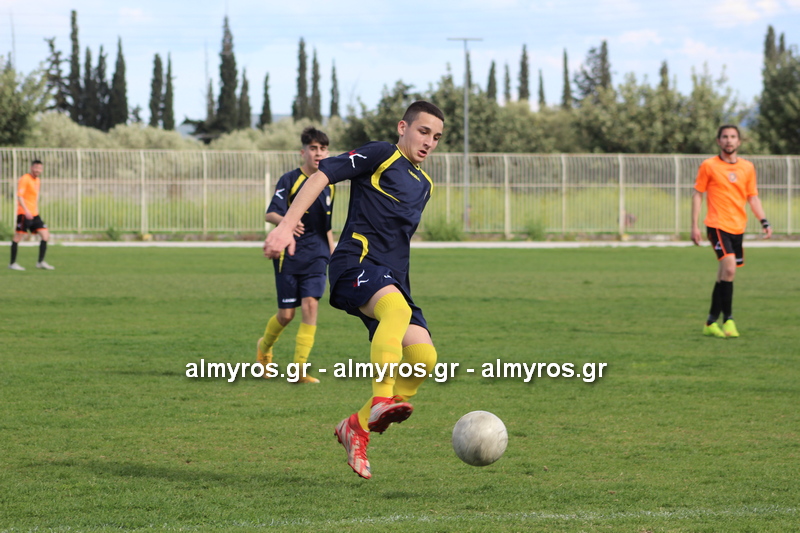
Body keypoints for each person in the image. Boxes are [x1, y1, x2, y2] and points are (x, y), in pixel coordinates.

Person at [263, 101, 444, 479]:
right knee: (396, 312)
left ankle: (356, 427)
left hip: (393, 280)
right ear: (403, 128)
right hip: (355, 264)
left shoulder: (425, 185)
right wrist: (285, 226)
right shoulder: (380, 154)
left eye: (437, 137)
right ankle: (381, 398)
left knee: (424, 358)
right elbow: (321, 176)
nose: (429, 141)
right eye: (423, 131)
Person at [256, 127, 336, 384]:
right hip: (289, 254)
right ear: (303, 152)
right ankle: (264, 348)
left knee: (311, 305)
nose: (318, 153)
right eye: (313, 148)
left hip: (318, 254)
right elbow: (270, 213)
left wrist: (334, 253)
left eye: (323, 149)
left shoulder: (329, 185)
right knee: (286, 315)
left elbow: (327, 226)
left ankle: (299, 369)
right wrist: (287, 222)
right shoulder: (290, 180)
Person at [691, 125, 772, 338]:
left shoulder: (747, 167)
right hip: (717, 225)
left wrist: (764, 221)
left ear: (739, 141)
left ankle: (710, 322)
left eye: (733, 137)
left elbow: (752, 197)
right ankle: (728, 320)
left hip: (738, 227)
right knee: (729, 269)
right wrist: (694, 225)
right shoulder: (709, 165)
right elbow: (698, 194)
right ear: (718, 141)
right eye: (725, 137)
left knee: (724, 275)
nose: (729, 140)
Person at [9, 160, 54, 271]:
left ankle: (40, 262)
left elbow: (35, 197)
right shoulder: (25, 178)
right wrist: (26, 210)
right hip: (24, 213)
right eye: (36, 168)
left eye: (40, 168)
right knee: (18, 237)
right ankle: (12, 263)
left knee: (45, 235)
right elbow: (20, 196)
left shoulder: (37, 180)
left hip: (34, 214)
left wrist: (36, 209)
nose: (38, 170)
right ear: (31, 168)